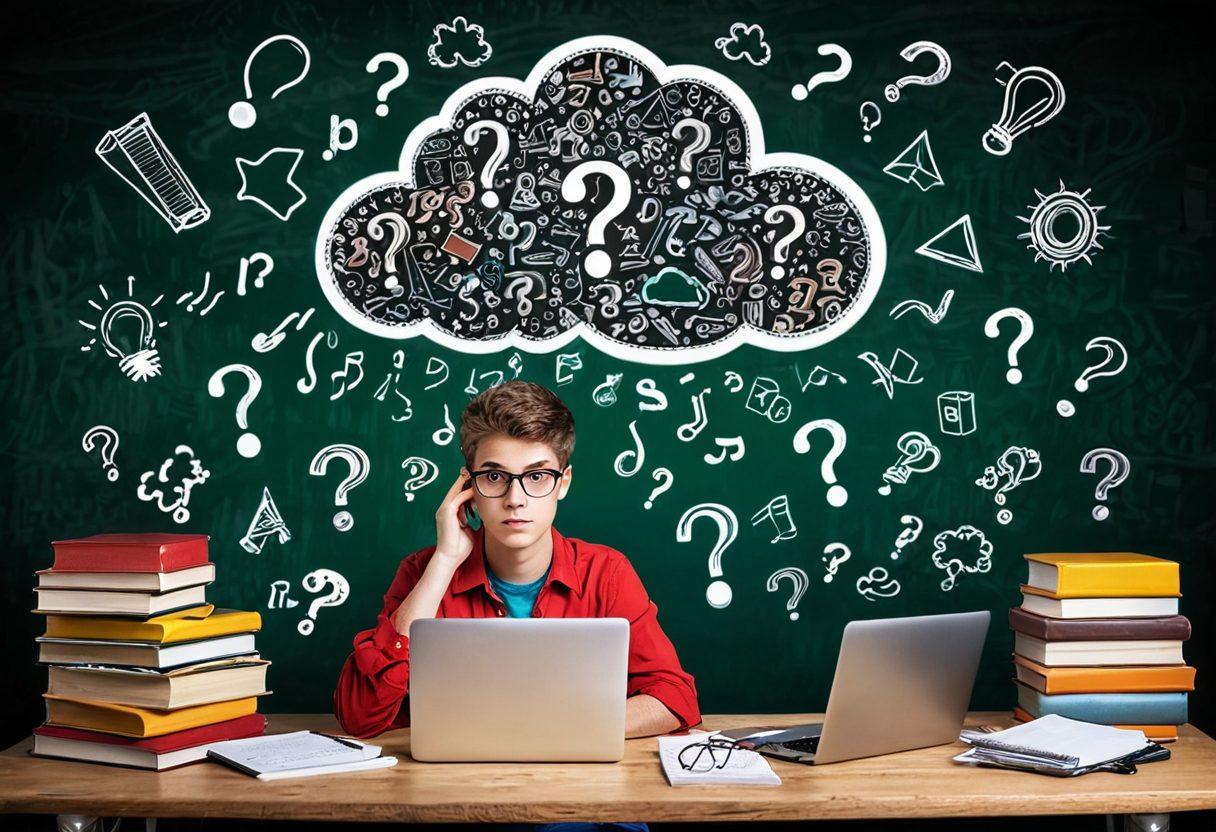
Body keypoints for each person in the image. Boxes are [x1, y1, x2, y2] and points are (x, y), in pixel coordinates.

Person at [333, 379, 701, 749]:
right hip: (452, 782)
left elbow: (674, 697)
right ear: (468, 486)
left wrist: (559, 726)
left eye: (537, 476)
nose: (515, 499)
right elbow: (359, 717)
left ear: (563, 483)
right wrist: (445, 561)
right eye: (494, 476)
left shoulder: (607, 573)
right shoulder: (423, 573)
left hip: (578, 779)